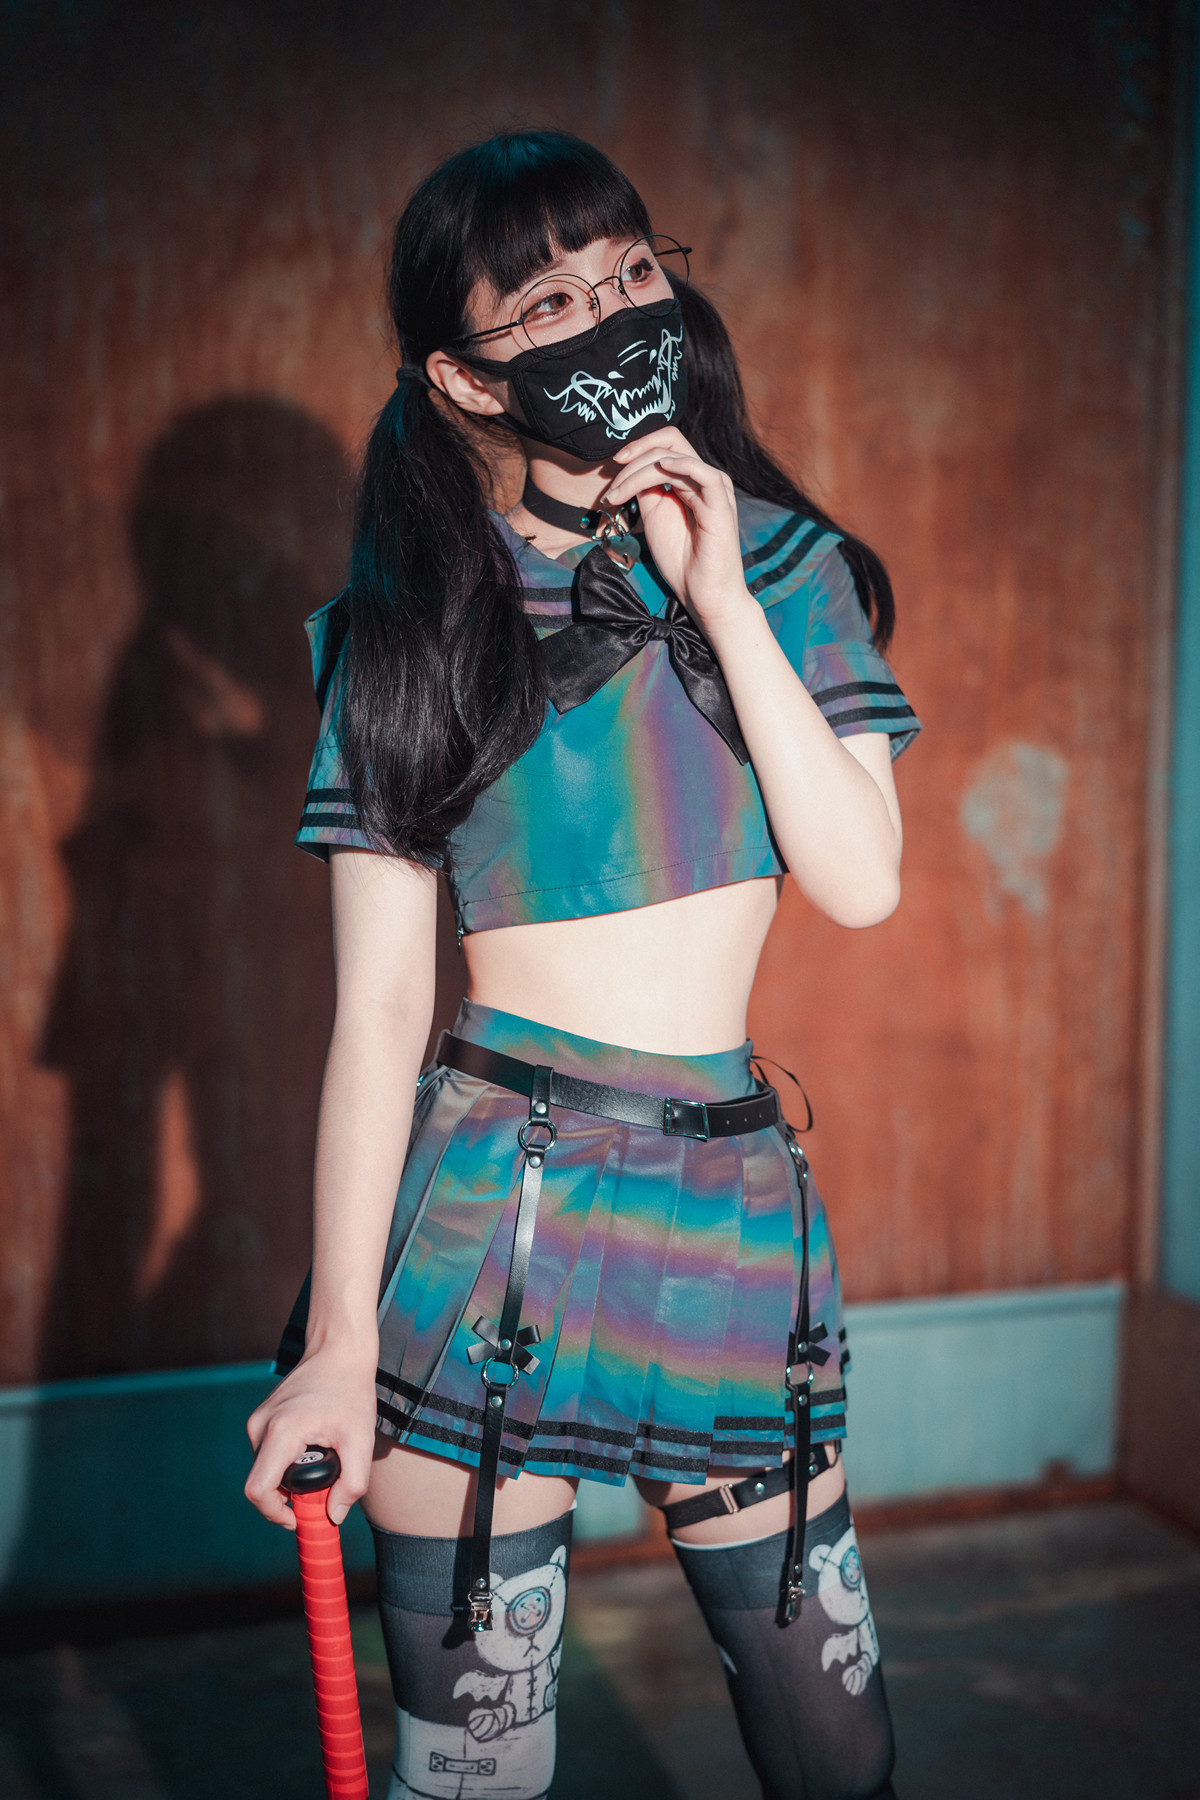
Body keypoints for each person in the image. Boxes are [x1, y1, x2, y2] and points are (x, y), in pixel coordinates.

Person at [244, 129, 920, 1800]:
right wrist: (340, 1342)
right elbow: (380, 1014)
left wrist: (719, 592)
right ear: (464, 379)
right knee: (477, 1771)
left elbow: (860, 885)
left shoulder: (789, 568)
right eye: (550, 302)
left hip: (731, 1214)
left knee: (837, 1748)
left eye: (629, 275)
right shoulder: (405, 630)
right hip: (486, 1222)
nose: (613, 318)